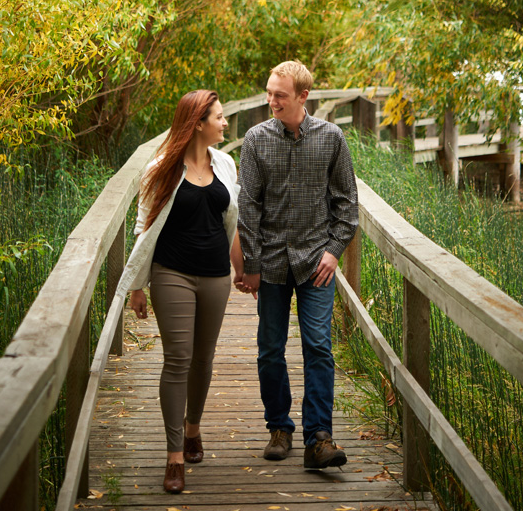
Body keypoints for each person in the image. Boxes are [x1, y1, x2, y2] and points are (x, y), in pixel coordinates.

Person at [116, 90, 243, 495]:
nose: (225, 124)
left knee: (203, 360)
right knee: (178, 360)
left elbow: (232, 221)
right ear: (198, 123)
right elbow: (142, 225)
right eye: (219, 118)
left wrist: (243, 270)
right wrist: (138, 286)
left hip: (215, 276)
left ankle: (193, 429)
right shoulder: (161, 169)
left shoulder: (225, 164)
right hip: (171, 273)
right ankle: (173, 456)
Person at [238, 61, 358, 470]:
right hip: (270, 261)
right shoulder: (255, 140)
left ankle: (319, 439)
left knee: (318, 347)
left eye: (280, 95)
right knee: (270, 350)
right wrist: (250, 264)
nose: (272, 100)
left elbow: (347, 205)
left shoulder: (331, 138)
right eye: (269, 92)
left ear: (303, 97)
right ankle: (279, 428)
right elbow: (248, 208)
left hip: (315, 261)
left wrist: (334, 250)